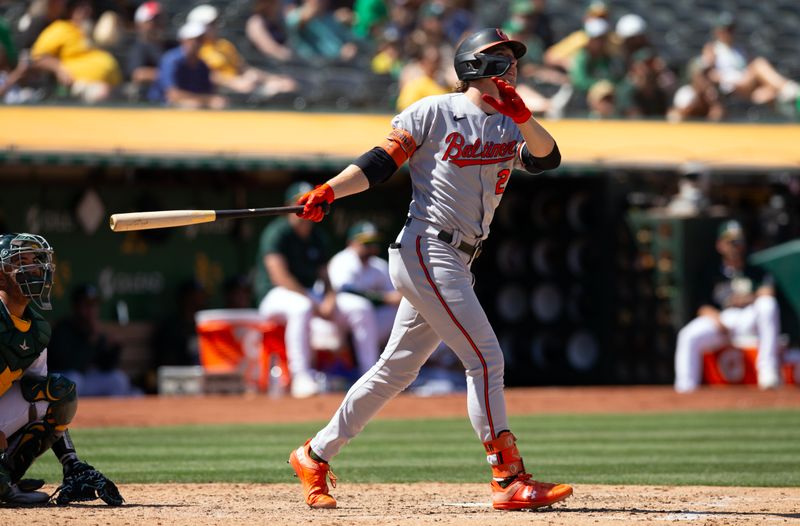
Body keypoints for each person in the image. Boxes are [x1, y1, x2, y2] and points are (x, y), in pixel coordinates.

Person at [287, 28, 571, 511]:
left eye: (513, 58)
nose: (512, 65)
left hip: (459, 257)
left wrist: (524, 118)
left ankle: (314, 454)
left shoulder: (509, 125)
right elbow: (380, 163)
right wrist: (330, 190)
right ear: (474, 67)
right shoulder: (435, 110)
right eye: (501, 58)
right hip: (427, 247)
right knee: (485, 358)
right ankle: (507, 477)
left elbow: (548, 160)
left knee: (396, 370)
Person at [0, 233, 123, 506]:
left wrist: (70, 461)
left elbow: (45, 395)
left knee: (58, 392)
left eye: (35, 261)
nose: (33, 269)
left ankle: (6, 476)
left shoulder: (37, 329)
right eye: (21, 261)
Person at [255, 183, 381, 398]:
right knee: (302, 308)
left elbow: (325, 276)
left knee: (360, 307)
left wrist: (330, 299)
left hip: (310, 294)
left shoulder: (316, 235)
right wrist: (316, 303)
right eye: (299, 202)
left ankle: (370, 375)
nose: (304, 207)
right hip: (274, 296)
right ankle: (300, 377)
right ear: (288, 207)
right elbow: (280, 277)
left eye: (308, 201)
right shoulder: (277, 232)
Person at [674, 220, 782, 392]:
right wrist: (716, 319)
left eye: (738, 242)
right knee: (687, 335)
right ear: (720, 245)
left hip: (748, 318)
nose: (734, 246)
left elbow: (768, 292)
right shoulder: (711, 271)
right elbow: (702, 306)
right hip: (722, 319)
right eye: (730, 242)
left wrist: (748, 298)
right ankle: (685, 389)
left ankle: (768, 371)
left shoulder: (755, 268)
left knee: (768, 305)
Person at [187, 4, 298, 101]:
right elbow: (209, 76)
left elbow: (243, 68)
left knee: (285, 85)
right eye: (210, 24)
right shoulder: (197, 50)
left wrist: (271, 78)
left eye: (215, 23)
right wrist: (235, 83)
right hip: (225, 92)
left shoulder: (224, 45)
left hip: (243, 86)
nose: (214, 27)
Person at [47, 284, 135, 397]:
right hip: (63, 382)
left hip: (86, 381)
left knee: (118, 379)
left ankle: (109, 414)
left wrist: (115, 348)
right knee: (74, 379)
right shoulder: (63, 329)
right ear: (76, 307)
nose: (92, 310)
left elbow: (105, 366)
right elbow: (68, 365)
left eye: (94, 305)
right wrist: (91, 342)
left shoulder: (93, 329)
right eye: (87, 305)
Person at [30, 0, 123, 103]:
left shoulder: (91, 30)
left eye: (88, 7)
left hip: (113, 86)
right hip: (78, 86)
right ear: (71, 10)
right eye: (81, 7)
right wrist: (59, 68)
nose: (86, 10)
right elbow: (38, 56)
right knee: (101, 93)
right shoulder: (61, 28)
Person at [328, 221, 401, 349]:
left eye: (373, 242)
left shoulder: (378, 265)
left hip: (365, 321)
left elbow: (394, 296)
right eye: (366, 243)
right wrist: (383, 298)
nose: (371, 247)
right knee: (361, 308)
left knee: (402, 310)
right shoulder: (343, 260)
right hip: (334, 318)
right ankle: (368, 365)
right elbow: (345, 291)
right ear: (351, 243)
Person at [701, 12, 799, 108]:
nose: (729, 33)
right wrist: (724, 80)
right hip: (730, 87)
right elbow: (708, 74)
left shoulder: (739, 49)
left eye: (731, 29)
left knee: (770, 93)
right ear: (718, 31)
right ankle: (789, 88)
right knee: (759, 64)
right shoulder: (712, 48)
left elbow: (747, 70)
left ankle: (787, 97)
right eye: (726, 29)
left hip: (746, 85)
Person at [149, 20, 228, 109]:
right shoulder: (171, 60)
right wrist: (207, 100)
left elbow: (207, 91)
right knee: (192, 105)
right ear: (184, 40)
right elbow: (173, 95)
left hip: (193, 105)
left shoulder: (202, 65)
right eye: (195, 39)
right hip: (160, 109)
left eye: (201, 40)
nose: (198, 43)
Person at [126, 1, 168, 101]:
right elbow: (137, 74)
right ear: (141, 24)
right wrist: (168, 74)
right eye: (153, 20)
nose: (157, 24)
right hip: (149, 97)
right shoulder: (139, 46)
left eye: (159, 19)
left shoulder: (169, 45)